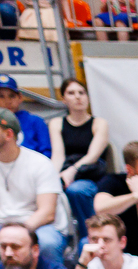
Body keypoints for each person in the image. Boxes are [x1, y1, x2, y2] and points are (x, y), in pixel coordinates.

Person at [0, 106, 65, 262]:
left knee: (48, 244)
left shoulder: (40, 163)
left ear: (9, 134)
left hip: (37, 227)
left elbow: (47, 212)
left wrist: (14, 234)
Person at [48, 78, 109, 235]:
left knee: (77, 190)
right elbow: (58, 156)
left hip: (91, 175)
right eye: (71, 93)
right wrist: (52, 179)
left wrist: (72, 171)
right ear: (64, 99)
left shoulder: (99, 123)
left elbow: (93, 155)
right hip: (67, 173)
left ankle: (90, 235)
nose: (78, 97)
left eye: (81, 93)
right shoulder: (56, 123)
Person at [93, 142, 138, 269]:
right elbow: (100, 208)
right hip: (118, 246)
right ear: (129, 169)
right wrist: (135, 196)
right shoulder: (113, 181)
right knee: (86, 242)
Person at [0, 74, 50, 157]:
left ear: (20, 97)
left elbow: (47, 152)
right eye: (1, 96)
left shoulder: (35, 121)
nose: (7, 101)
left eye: (12, 96)